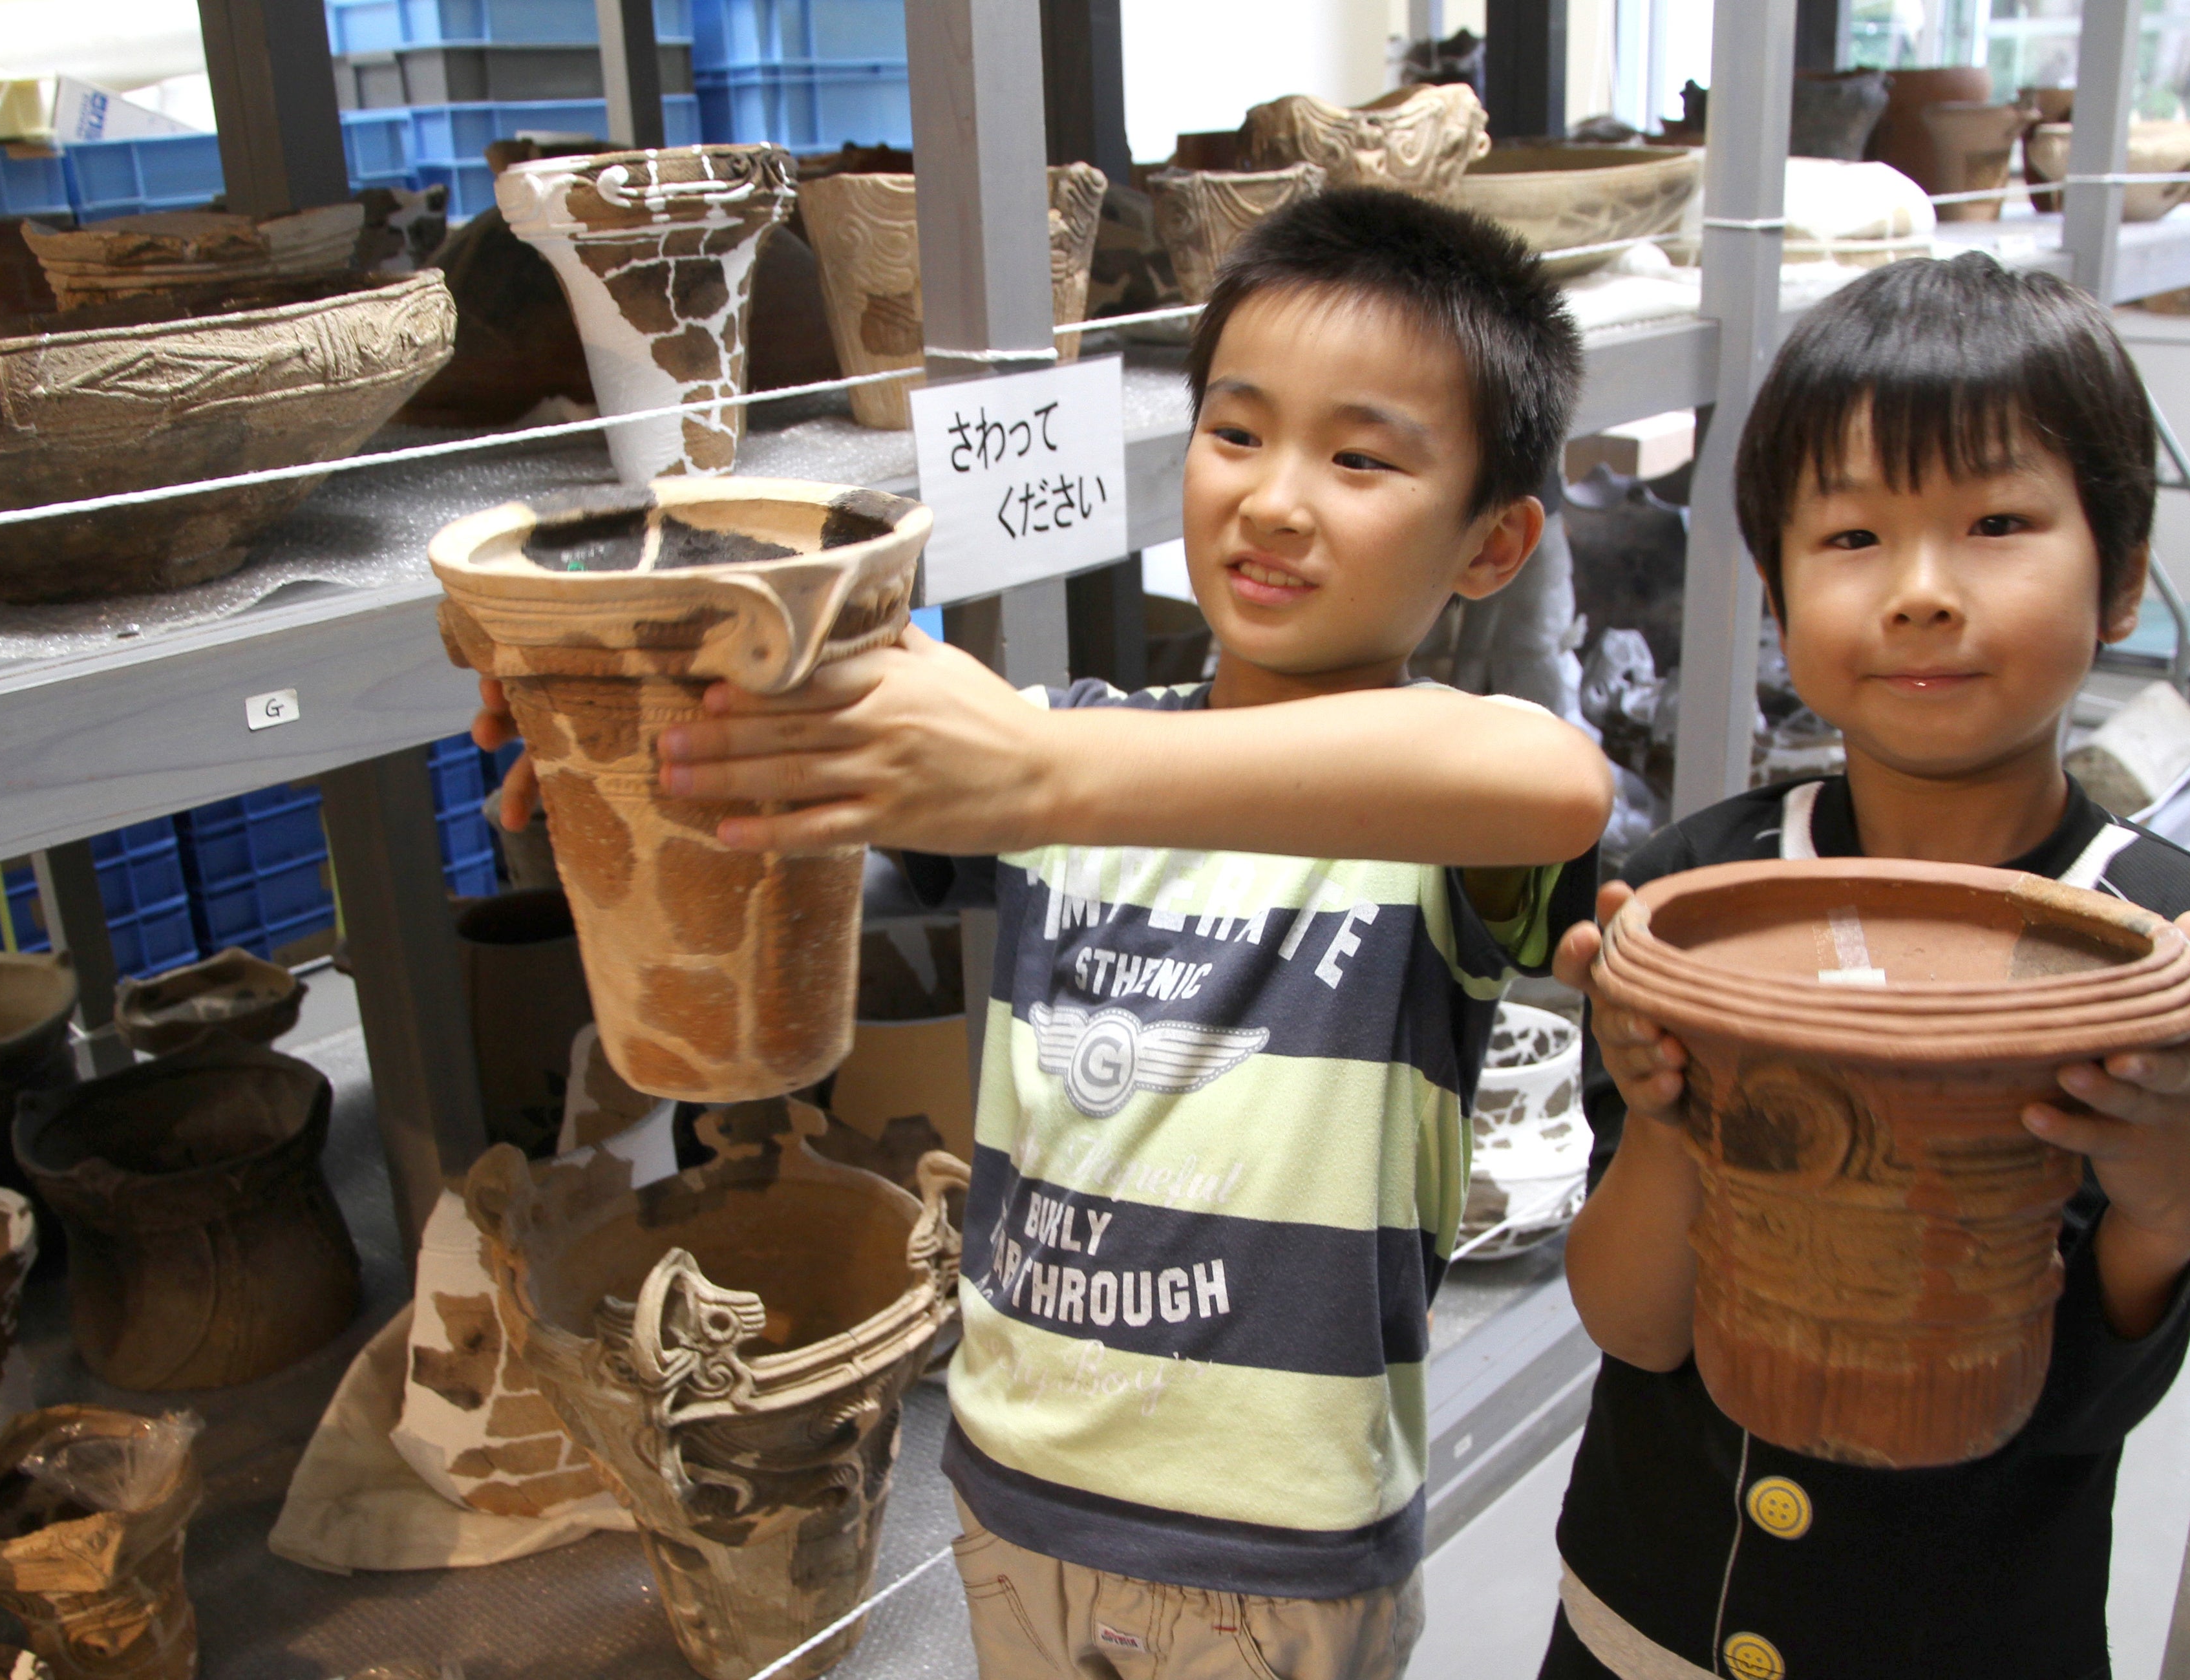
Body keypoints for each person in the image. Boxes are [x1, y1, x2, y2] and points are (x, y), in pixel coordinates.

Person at [478, 187, 1613, 1676]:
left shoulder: (1409, 820)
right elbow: (832, 800)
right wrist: (628, 735)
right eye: (1237, 431)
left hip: (1265, 1550)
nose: (1275, 498)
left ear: (1492, 541)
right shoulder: (1067, 742)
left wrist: (1045, 773)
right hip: (1018, 1500)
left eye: (1359, 458)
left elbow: (1551, 782)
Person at [1539, 251, 2190, 1680]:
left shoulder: (2168, 943)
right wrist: (1678, 1116)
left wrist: (2169, 1183)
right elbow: (1634, 1321)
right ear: (1776, 582)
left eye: (1997, 522)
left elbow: (2081, 1398)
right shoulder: (1691, 900)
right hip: (1646, 1621)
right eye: (1855, 537)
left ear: (2122, 578)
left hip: (1965, 1639)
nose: (1923, 592)